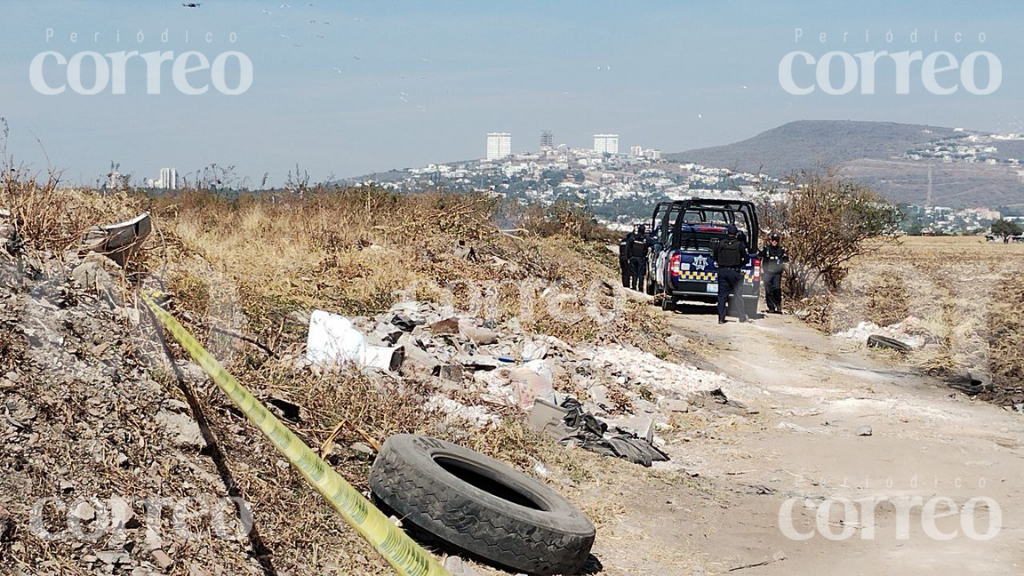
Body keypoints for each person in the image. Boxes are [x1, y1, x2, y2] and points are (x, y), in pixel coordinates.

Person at [712, 224, 748, 324]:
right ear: (736, 234)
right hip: (735, 271)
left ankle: (721, 318)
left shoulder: (720, 244)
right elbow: (746, 258)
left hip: (722, 271)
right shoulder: (739, 245)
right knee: (738, 295)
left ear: (727, 233)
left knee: (722, 296)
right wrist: (740, 264)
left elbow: (714, 257)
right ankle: (741, 317)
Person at [758, 232, 789, 314]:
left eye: (776, 240)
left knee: (776, 288)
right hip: (767, 272)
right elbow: (759, 257)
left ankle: (778, 304)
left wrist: (785, 258)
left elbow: (786, 260)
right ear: (770, 241)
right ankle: (771, 307)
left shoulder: (781, 250)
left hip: (777, 273)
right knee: (768, 290)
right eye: (773, 240)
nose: (774, 242)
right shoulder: (766, 249)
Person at [627, 224, 650, 291]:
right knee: (641, 274)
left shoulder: (633, 237)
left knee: (634, 273)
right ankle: (640, 288)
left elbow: (628, 247)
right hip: (641, 258)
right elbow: (653, 243)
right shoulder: (646, 239)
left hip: (633, 258)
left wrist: (629, 257)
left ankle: (634, 286)